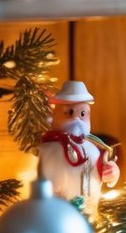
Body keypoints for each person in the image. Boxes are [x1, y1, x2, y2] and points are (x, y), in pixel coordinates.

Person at [37, 80, 119, 220]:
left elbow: (106, 168)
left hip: (88, 213)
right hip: (52, 214)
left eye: (82, 114)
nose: (76, 119)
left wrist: (112, 172)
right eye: (69, 112)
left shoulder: (94, 149)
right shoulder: (45, 148)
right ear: (55, 115)